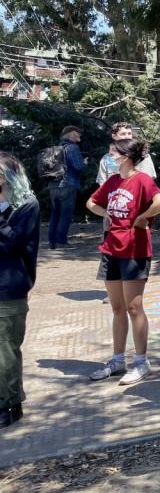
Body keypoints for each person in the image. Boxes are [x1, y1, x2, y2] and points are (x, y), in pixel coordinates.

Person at [85, 138, 160, 385]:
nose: (111, 154)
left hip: (134, 250)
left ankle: (141, 361)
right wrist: (106, 213)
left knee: (134, 307)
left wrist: (143, 217)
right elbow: (91, 202)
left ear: (127, 156)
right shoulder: (113, 181)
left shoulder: (142, 179)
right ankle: (117, 359)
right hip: (111, 249)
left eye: (115, 152)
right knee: (117, 308)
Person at [0, 152, 39, 429]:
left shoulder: (27, 205)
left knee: (5, 350)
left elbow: (13, 245)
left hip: (9, 287)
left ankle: (10, 404)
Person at [47, 125, 86, 249]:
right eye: (77, 134)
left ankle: (52, 241)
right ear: (71, 135)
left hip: (53, 186)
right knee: (65, 214)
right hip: (67, 184)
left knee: (55, 214)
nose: (79, 136)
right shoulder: (72, 148)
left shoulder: (56, 148)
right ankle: (61, 242)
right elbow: (78, 166)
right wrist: (85, 163)